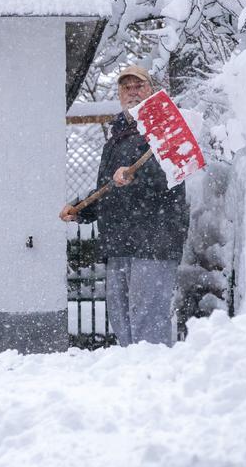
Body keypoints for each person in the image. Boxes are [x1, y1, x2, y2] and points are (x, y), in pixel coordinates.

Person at [60, 65, 190, 346]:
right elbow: (107, 191)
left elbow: (175, 173)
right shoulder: (114, 139)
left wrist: (136, 175)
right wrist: (80, 210)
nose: (132, 91)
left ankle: (154, 379)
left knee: (147, 323)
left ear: (151, 90)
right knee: (122, 322)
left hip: (154, 241)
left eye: (139, 85)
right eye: (126, 87)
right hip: (119, 242)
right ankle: (133, 382)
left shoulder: (166, 126)